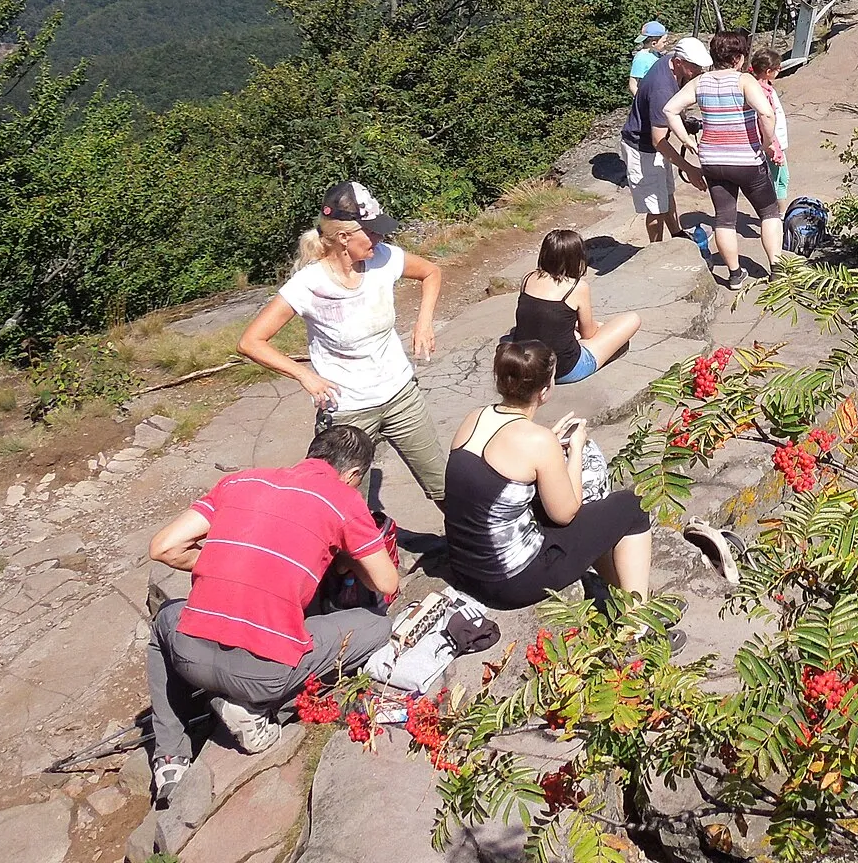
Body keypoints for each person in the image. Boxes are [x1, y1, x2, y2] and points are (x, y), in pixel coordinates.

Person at [144, 424, 399, 801]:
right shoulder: (343, 500)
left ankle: (170, 758)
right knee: (377, 625)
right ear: (354, 476)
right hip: (265, 674)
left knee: (166, 618)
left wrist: (229, 564)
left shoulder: (238, 481)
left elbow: (163, 547)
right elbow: (387, 583)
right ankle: (254, 710)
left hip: (189, 657)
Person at [235, 181, 448, 508]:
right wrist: (304, 375)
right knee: (346, 508)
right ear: (345, 237)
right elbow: (251, 341)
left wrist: (424, 322)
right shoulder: (309, 285)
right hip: (347, 410)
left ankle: (476, 550)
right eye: (372, 232)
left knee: (445, 485)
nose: (380, 238)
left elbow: (431, 272)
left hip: (401, 394)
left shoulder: (385, 259)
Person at [443, 336, 653, 611]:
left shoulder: (474, 418)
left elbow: (495, 475)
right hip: (512, 581)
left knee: (586, 516)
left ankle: (620, 600)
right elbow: (566, 513)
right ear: (544, 391)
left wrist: (549, 445)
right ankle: (640, 621)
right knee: (632, 507)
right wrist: (574, 449)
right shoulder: (538, 441)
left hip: (468, 570)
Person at [664, 27, 783, 288]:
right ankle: (776, 269)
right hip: (746, 159)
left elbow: (670, 109)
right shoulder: (744, 81)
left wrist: (686, 140)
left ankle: (735, 274)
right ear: (738, 58)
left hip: (713, 161)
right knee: (769, 213)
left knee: (724, 218)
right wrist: (766, 143)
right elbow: (766, 114)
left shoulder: (700, 82)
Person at [512, 229, 641, 385]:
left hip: (526, 365)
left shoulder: (528, 278)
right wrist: (598, 327)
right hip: (564, 370)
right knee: (632, 319)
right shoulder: (576, 287)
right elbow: (589, 333)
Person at [619, 35, 711, 244]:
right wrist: (689, 168)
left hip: (653, 144)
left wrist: (683, 124)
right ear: (679, 62)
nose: (699, 72)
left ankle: (677, 233)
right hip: (642, 148)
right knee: (655, 207)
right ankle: (657, 250)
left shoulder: (670, 60)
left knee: (667, 194)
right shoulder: (662, 88)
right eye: (694, 67)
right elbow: (658, 141)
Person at [749, 48, 792, 202]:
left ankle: (772, 216)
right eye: (777, 68)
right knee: (780, 181)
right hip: (772, 142)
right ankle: (777, 218)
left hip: (773, 141)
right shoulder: (762, 91)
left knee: (777, 179)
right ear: (768, 71)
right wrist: (774, 147)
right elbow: (765, 120)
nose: (779, 71)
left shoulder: (760, 86)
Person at [627, 21, 667, 97]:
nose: (666, 44)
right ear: (654, 43)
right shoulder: (641, 58)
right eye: (664, 42)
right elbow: (633, 84)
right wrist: (640, 100)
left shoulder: (655, 54)